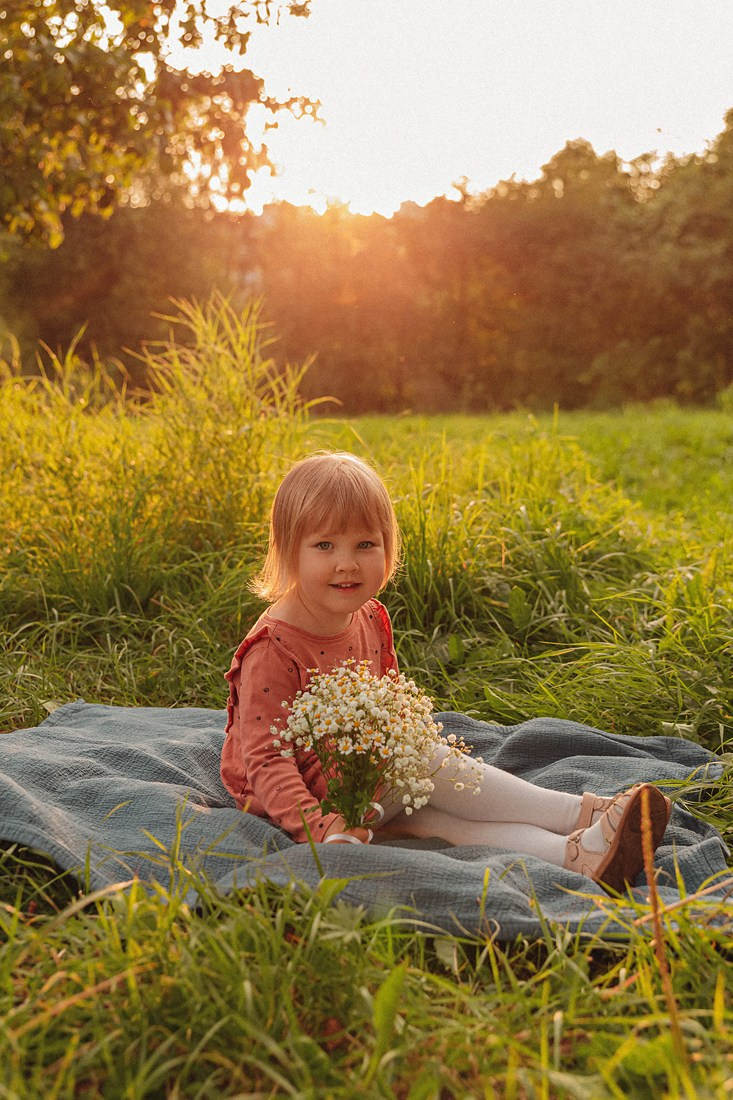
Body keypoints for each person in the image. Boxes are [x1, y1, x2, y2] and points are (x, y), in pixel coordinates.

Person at [221, 451, 672, 894]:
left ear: (387, 548)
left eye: (365, 544)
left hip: (358, 776)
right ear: (288, 551)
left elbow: (386, 705)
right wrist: (322, 829)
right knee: (428, 763)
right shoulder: (273, 650)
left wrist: (401, 741)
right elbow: (266, 760)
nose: (347, 563)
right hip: (294, 800)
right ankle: (583, 813)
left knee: (437, 817)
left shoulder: (368, 616)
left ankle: (579, 855)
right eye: (325, 545)